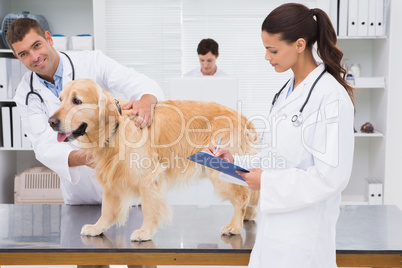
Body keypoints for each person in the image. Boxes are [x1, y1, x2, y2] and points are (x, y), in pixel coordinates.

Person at [6, 18, 161, 268]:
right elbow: (44, 145)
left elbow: (139, 83)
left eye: (37, 45)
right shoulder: (26, 94)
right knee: (90, 263)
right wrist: (92, 157)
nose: (34, 57)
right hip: (83, 198)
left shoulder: (91, 62)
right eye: (24, 53)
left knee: (140, 261)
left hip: (130, 189)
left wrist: (147, 99)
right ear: (16, 56)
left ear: (48, 37)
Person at [208, 3, 354, 268]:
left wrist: (268, 182)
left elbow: (332, 177)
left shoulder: (330, 97)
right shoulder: (286, 92)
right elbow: (278, 158)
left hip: (305, 241)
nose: (267, 57)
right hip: (273, 233)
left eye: (272, 50)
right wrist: (233, 161)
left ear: (299, 44)